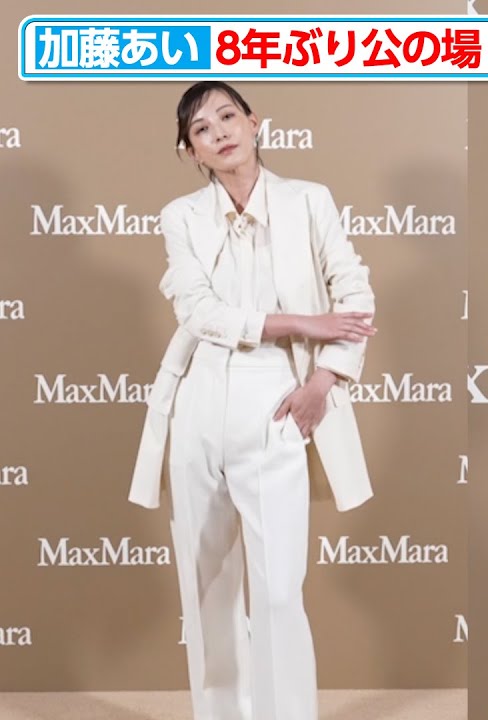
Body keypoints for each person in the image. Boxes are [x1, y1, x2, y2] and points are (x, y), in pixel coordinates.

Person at [128, 81, 378, 720]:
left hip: (277, 402)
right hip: (199, 400)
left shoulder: (309, 201)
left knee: (278, 591)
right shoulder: (181, 217)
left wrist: (324, 382)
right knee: (207, 587)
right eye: (201, 129)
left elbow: (353, 293)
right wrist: (301, 322)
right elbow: (200, 311)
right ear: (191, 152)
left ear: (254, 121)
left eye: (227, 116)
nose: (219, 132)